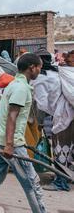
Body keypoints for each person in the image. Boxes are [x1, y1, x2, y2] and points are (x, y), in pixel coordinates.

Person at [0, 53, 69, 213]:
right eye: (39, 67)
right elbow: (12, 116)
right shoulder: (20, 88)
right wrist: (10, 144)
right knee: (31, 182)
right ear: (31, 67)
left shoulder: (15, 84)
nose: (40, 70)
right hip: (10, 142)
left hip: (0, 140)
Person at [32, 49, 73, 192]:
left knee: (61, 148)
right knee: (68, 148)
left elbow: (42, 104)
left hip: (63, 116)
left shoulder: (40, 78)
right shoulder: (57, 71)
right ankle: (67, 177)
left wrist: (39, 121)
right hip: (70, 112)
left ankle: (61, 183)